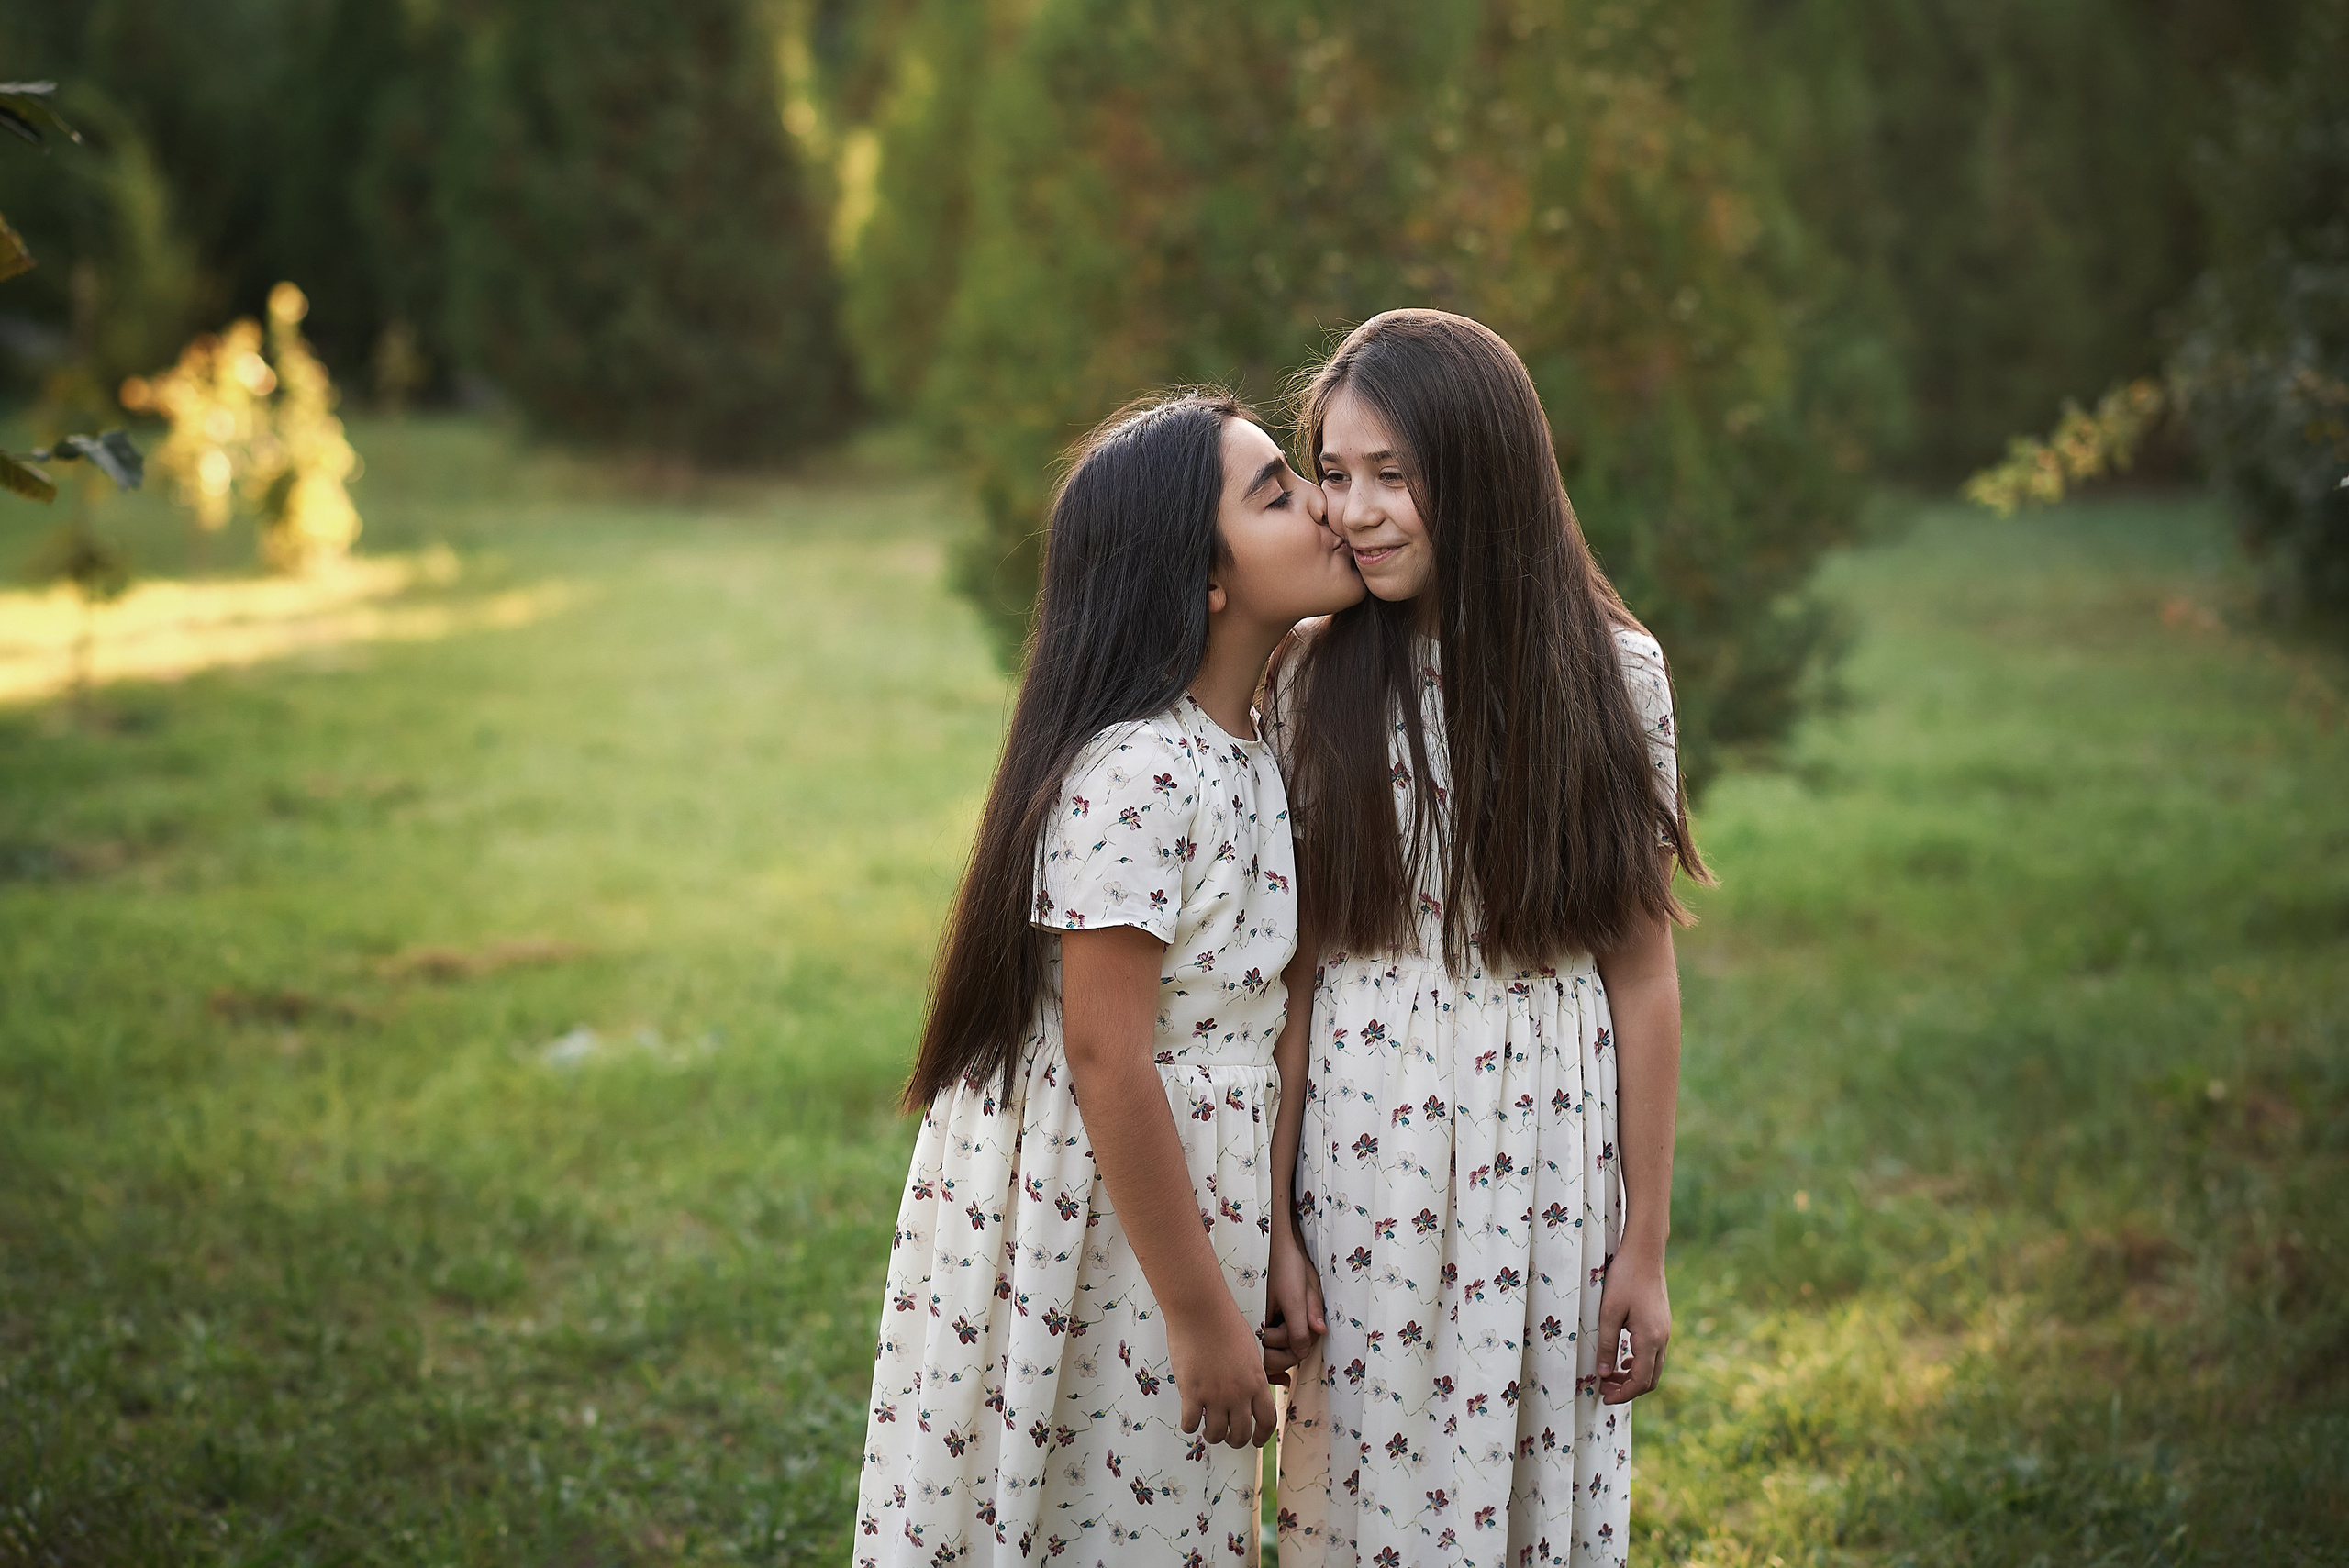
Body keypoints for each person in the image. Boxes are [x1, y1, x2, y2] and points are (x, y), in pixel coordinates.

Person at [854, 389, 1365, 1567]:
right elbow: (1104, 1051)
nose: (1324, 509)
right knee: (1078, 1502)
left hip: (1195, 1197)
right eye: (1278, 494)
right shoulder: (1139, 768)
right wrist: (1197, 1312)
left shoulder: (1250, 745)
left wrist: (1269, 1231)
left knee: (1152, 1514)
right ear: (1206, 581)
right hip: (1105, 1221)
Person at [1262, 310, 1709, 1568]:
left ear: (1487, 473)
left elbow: (1641, 969)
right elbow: (1291, 976)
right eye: (1336, 474)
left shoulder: (1614, 676)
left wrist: (1645, 1242)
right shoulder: (1310, 676)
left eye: (1394, 474)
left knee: (1520, 1485)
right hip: (1365, 1148)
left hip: (1548, 1158)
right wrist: (1275, 1223)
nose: (1354, 509)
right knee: (1369, 1491)